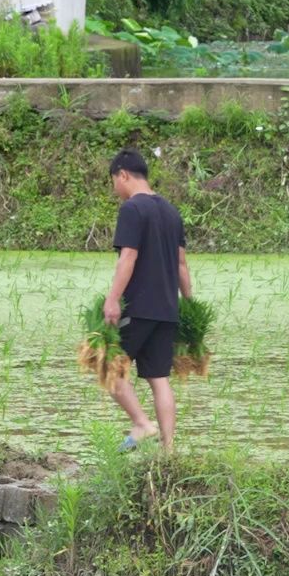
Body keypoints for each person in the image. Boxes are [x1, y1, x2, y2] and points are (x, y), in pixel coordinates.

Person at [103, 148, 192, 454]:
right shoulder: (171, 211)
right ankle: (168, 452)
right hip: (167, 309)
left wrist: (113, 299)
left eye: (114, 181)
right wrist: (189, 305)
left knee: (107, 364)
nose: (115, 189)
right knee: (158, 377)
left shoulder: (132, 209)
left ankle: (142, 423)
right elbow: (182, 264)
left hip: (138, 306)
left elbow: (128, 257)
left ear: (123, 174)